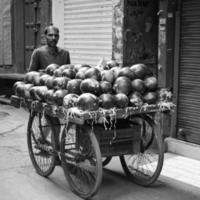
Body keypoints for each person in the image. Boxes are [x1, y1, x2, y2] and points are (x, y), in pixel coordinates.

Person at [29, 25, 70, 165]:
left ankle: (45, 140)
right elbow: (31, 75)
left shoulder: (65, 53)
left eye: (56, 35)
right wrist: (42, 76)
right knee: (55, 123)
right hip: (45, 93)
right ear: (45, 37)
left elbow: (69, 74)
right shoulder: (38, 53)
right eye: (50, 35)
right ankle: (55, 152)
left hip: (61, 93)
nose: (54, 38)